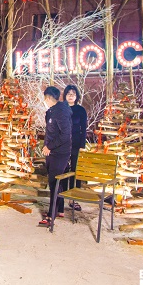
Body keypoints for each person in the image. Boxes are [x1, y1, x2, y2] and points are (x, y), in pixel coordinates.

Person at [39, 86, 72, 226]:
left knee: (54, 183)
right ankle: (58, 209)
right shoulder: (51, 112)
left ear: (47, 98)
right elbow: (51, 133)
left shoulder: (61, 112)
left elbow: (65, 135)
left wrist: (49, 147)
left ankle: (51, 216)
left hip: (60, 153)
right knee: (55, 183)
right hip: (52, 152)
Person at [63, 84, 88, 212]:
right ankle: (63, 196)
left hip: (76, 145)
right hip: (63, 145)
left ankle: (74, 199)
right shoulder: (60, 109)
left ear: (76, 96)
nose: (71, 96)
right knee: (64, 171)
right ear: (65, 95)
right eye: (68, 93)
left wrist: (82, 147)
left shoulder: (81, 110)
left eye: (73, 93)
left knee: (76, 171)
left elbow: (83, 130)